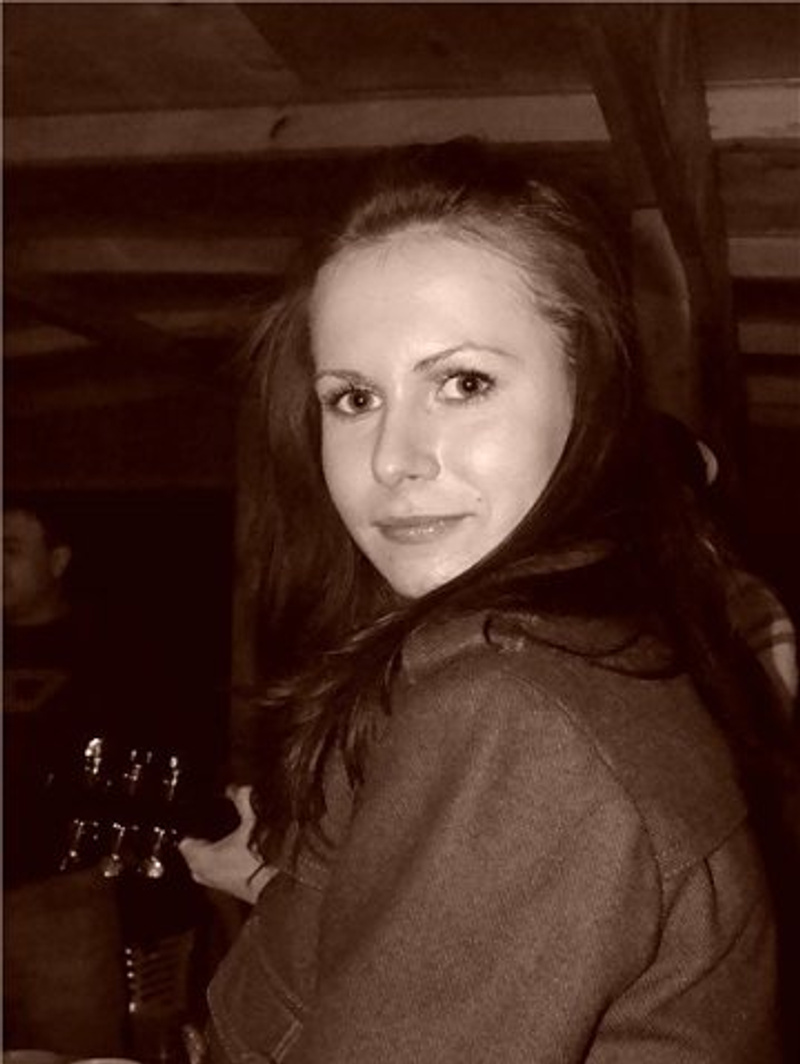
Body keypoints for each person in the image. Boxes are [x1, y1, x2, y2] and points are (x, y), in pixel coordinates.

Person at [182, 140, 800, 1062]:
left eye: (463, 383)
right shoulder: (586, 643)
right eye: (353, 399)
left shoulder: (517, 711)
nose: (393, 458)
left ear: (590, 394)